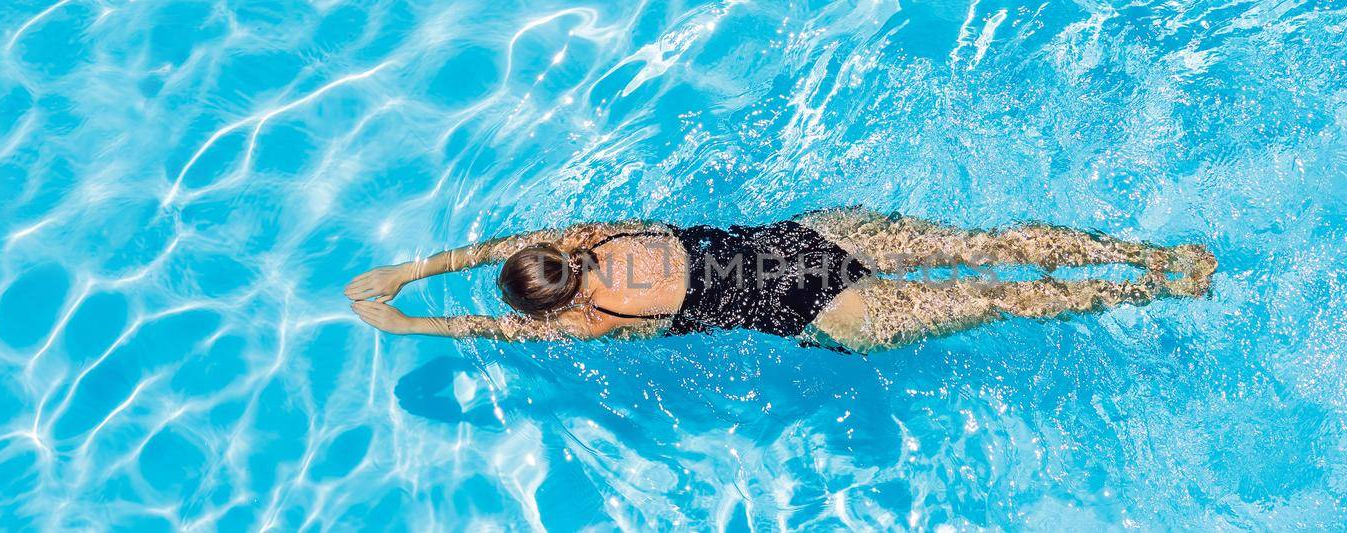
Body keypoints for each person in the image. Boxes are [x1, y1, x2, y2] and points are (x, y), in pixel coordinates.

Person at [346, 206, 1216, 353]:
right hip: (814, 236)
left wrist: (414, 323)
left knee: (1000, 300)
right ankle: (1143, 252)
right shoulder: (589, 237)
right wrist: (417, 268)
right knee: (993, 245)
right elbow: (508, 242)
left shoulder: (590, 317)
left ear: (559, 300)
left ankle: (1152, 288)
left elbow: (498, 328)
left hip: (828, 305)